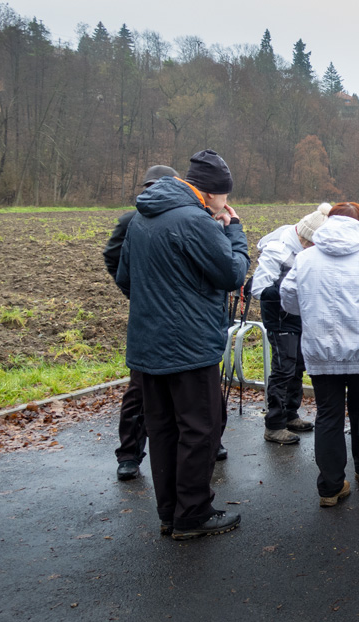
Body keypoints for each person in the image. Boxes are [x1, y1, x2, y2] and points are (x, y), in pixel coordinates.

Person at [116, 149, 249, 539]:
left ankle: (170, 512)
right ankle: (193, 513)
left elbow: (126, 278)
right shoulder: (196, 220)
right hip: (189, 347)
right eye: (225, 196)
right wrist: (234, 231)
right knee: (200, 429)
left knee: (163, 430)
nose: (227, 203)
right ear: (211, 193)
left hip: (147, 346)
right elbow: (230, 273)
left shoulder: (143, 216)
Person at [280, 202, 359, 508]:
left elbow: (288, 300)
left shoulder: (305, 258)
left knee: (328, 414)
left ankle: (330, 487)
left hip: (320, 350)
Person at [103, 164, 177, 481]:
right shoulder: (131, 220)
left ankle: (206, 445)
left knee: (191, 386)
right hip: (148, 318)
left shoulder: (183, 218)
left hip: (181, 316)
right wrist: (135, 292)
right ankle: (129, 454)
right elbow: (113, 257)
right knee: (140, 389)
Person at [251, 203, 333, 445]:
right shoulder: (277, 249)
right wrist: (290, 287)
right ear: (303, 236)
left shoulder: (310, 244)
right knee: (283, 368)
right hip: (279, 317)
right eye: (311, 245)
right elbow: (258, 289)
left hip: (300, 316)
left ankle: (291, 415)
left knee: (297, 365)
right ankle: (273, 425)